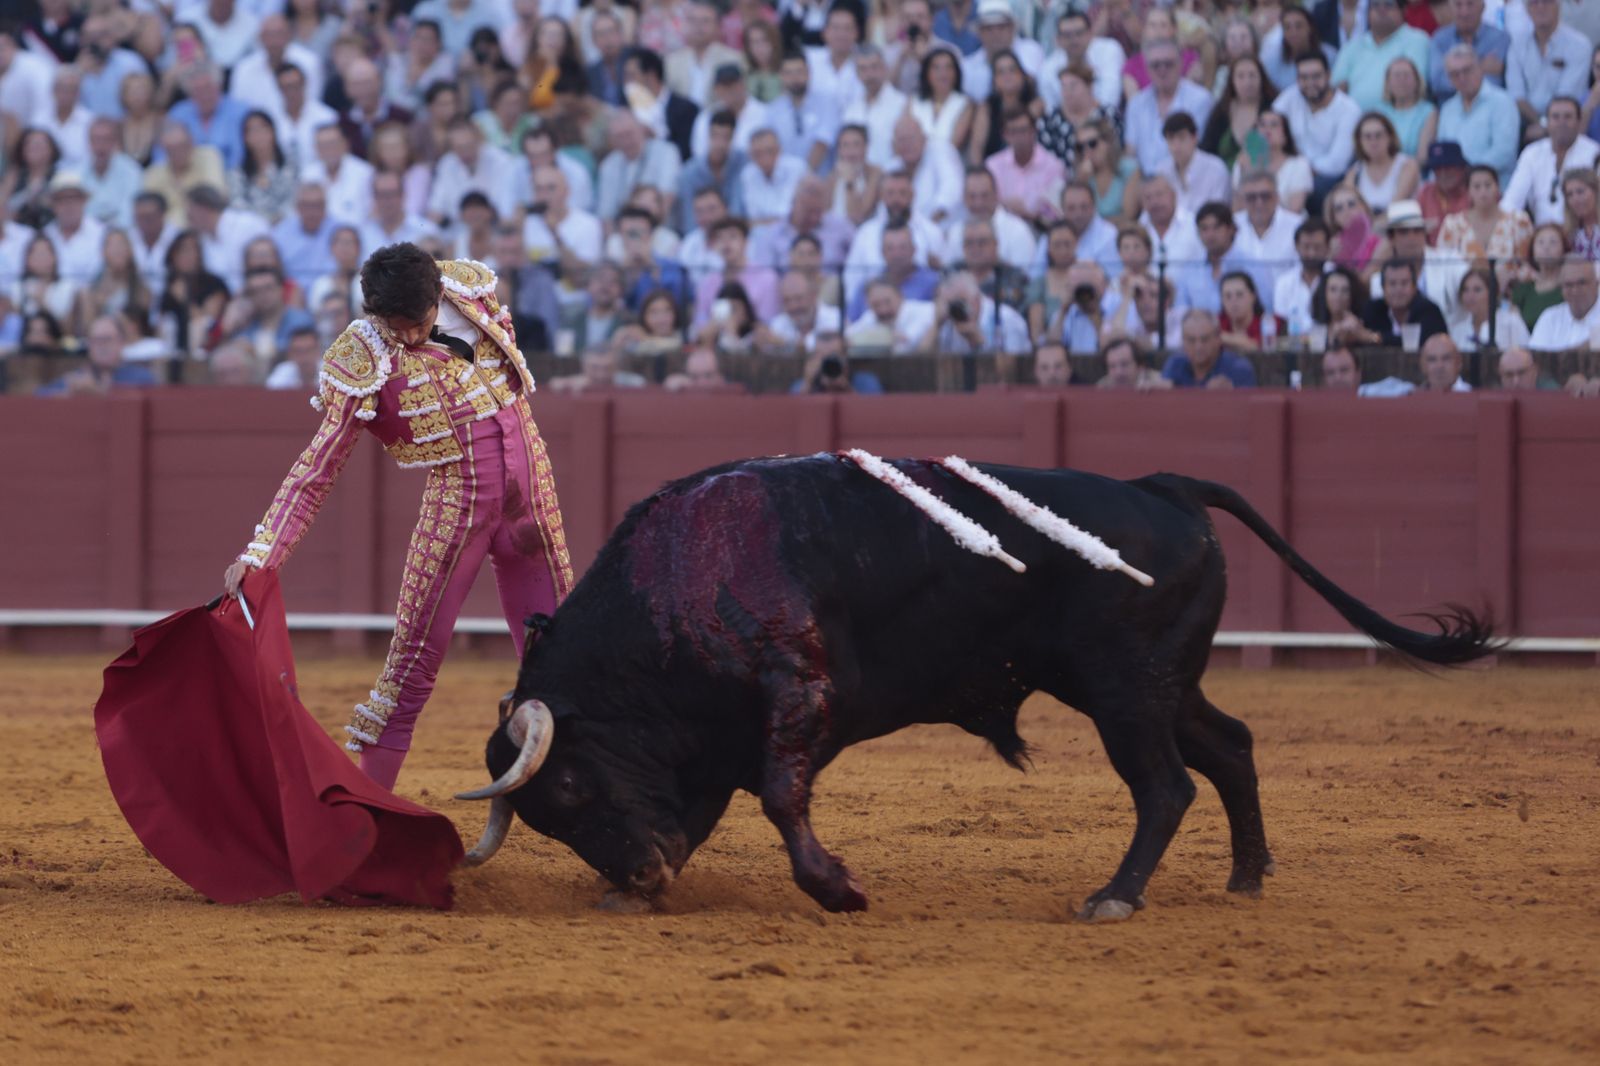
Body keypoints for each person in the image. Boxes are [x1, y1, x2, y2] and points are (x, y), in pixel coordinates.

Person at [220, 245, 573, 790]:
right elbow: (317, 469)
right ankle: (370, 809)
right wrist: (262, 553)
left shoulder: (471, 288)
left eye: (418, 323)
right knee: (410, 665)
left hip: (533, 497)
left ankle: (588, 796)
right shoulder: (361, 357)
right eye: (394, 325)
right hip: (457, 507)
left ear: (438, 295)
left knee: (565, 656)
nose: (407, 337)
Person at [1273, 51, 1361, 210]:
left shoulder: (1349, 110)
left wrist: (1299, 170)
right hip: (1290, 170)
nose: (1310, 83)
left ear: (1328, 76)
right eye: (1304, 78)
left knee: (1315, 188)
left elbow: (1337, 163)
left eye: (1316, 76)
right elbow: (1264, 126)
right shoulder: (1290, 97)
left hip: (1325, 177)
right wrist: (1251, 154)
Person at [1500, 97, 1599, 229]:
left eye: (1568, 117)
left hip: (1581, 232)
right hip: (1542, 234)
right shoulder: (1532, 153)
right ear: (1547, 122)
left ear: (1579, 121)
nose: (1561, 123)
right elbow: (1511, 202)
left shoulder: (1594, 152)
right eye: (1555, 117)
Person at [1123, 39, 1214, 177]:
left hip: (1186, 179)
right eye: (1156, 65)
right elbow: (1131, 152)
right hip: (1144, 183)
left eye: (1168, 64)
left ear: (1180, 64)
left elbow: (1197, 150)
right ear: (1147, 68)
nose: (1162, 70)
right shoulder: (1136, 104)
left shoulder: (1200, 99)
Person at [1435, 46, 1519, 188]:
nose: (1462, 78)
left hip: (1493, 188)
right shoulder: (1448, 109)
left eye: (1467, 70)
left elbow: (1504, 152)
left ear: (1480, 68)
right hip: (1455, 189)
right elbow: (1443, 152)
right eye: (1455, 74)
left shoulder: (1502, 102)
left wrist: (1467, 173)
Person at [1330, 0, 1431, 112]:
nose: (1381, 10)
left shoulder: (1416, 40)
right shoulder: (1352, 46)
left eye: (1388, 4)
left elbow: (1415, 87)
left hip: (1400, 116)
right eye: (1375, 5)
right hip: (1355, 119)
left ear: (1403, 10)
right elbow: (1337, 88)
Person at [1505, 0, 1590, 127]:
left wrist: (1546, 127)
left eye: (1547, 1)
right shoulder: (1517, 45)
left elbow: (1567, 96)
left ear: (1559, 6)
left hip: (1566, 124)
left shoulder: (1579, 46)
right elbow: (1516, 95)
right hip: (1526, 123)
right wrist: (1541, 123)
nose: (1540, 7)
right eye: (1534, 2)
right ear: (1527, 9)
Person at [1437, 166, 1532, 264]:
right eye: (1477, 187)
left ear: (1497, 188)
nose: (1483, 192)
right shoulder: (1453, 225)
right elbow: (1444, 265)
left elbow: (1527, 263)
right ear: (1468, 192)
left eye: (1488, 185)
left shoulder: (1519, 222)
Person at [1428, 0, 1510, 102]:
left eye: (1470, 4)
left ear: (1482, 7)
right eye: (1458, 5)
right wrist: (1480, 66)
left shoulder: (1499, 39)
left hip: (1491, 107)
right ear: (1451, 9)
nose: (1464, 12)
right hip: (1449, 108)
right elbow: (1438, 83)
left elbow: (1494, 82)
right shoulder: (1440, 39)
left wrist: (1454, 73)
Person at [1344, 113, 1418, 222]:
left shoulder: (1406, 165)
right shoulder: (1354, 173)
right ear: (1359, 141)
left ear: (1390, 137)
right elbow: (1349, 209)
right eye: (1367, 137)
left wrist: (1372, 227)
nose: (1373, 142)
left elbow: (1396, 207)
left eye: (1378, 135)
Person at [1362, 258, 1449, 349]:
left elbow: (1417, 342)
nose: (1398, 289)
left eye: (1404, 283)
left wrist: (1374, 338)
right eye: (1392, 284)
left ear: (1414, 287)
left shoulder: (1429, 310)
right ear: (1383, 288)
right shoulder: (1373, 310)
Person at [1162, 309, 1256, 389]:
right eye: (1191, 340)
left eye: (1205, 339)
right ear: (1183, 341)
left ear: (1218, 338)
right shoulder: (1175, 365)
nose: (1198, 347)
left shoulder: (1238, 369)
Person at [1450, 268, 1531, 354]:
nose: (1470, 296)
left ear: (1492, 293)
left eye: (1477, 290)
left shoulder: (1511, 322)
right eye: (1465, 290)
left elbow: (1526, 354)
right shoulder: (1458, 330)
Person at [1528, 258, 1600, 351]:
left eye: (1582, 283)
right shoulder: (1550, 318)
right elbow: (1536, 356)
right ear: (1561, 288)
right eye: (1569, 285)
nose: (1575, 291)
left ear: (1596, 284)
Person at [1510, 223, 1572, 331]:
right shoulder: (1523, 290)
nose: (1546, 247)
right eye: (1540, 242)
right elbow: (1513, 327)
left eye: (1553, 242)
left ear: (1564, 250)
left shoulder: (1570, 288)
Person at [1276, 219, 1333, 335]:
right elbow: (1281, 324)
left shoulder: (1338, 278)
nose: (1311, 254)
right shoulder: (1284, 283)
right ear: (1296, 247)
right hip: (1293, 343)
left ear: (1327, 247)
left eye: (1317, 247)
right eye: (1306, 247)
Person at [1376, 57, 1437, 162]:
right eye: (1397, 76)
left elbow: (1423, 157)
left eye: (1407, 75)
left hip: (1413, 169)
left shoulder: (1429, 112)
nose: (1402, 80)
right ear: (1388, 83)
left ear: (1417, 81)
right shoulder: (1378, 112)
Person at [1313, 265, 1383, 347]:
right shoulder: (1316, 327)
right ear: (1324, 294)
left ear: (1352, 295)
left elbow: (1381, 339)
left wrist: (1363, 335)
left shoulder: (1364, 321)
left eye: (1345, 290)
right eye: (1333, 289)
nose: (1338, 295)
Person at [1417, 141, 1471, 245]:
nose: (1443, 173)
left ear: (1462, 168)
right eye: (1437, 168)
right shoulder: (1426, 192)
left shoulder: (1476, 191)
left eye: (1448, 167)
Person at [1097, 335, 1168, 390]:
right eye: (1112, 366)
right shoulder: (1102, 387)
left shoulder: (1159, 382)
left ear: (1140, 366)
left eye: (1124, 364)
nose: (1118, 372)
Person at [1563, 170, 1600, 261]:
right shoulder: (1567, 235)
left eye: (1580, 192)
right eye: (1570, 194)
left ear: (1596, 192)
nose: (1575, 199)